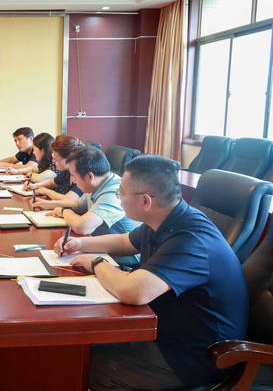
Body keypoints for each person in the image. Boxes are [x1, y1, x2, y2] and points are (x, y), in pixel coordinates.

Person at [55, 155, 247, 390]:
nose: (118, 197)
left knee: (84, 364)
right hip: (167, 330)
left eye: (121, 192)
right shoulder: (165, 219)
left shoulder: (191, 240)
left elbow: (133, 292)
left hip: (196, 357)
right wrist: (80, 244)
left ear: (145, 201)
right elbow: (125, 241)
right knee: (81, 347)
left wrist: (96, 263)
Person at [32, 145, 139, 236]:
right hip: (97, 242)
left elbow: (82, 227)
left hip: (118, 254)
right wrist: (48, 204)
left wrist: (64, 211)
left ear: (89, 177)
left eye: (74, 176)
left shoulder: (114, 192)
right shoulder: (98, 183)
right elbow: (79, 205)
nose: (74, 181)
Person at [24, 135, 83, 200]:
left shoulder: (82, 175)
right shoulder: (67, 171)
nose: (53, 161)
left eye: (55, 159)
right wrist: (35, 186)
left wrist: (46, 191)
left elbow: (68, 199)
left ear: (68, 159)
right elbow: (51, 182)